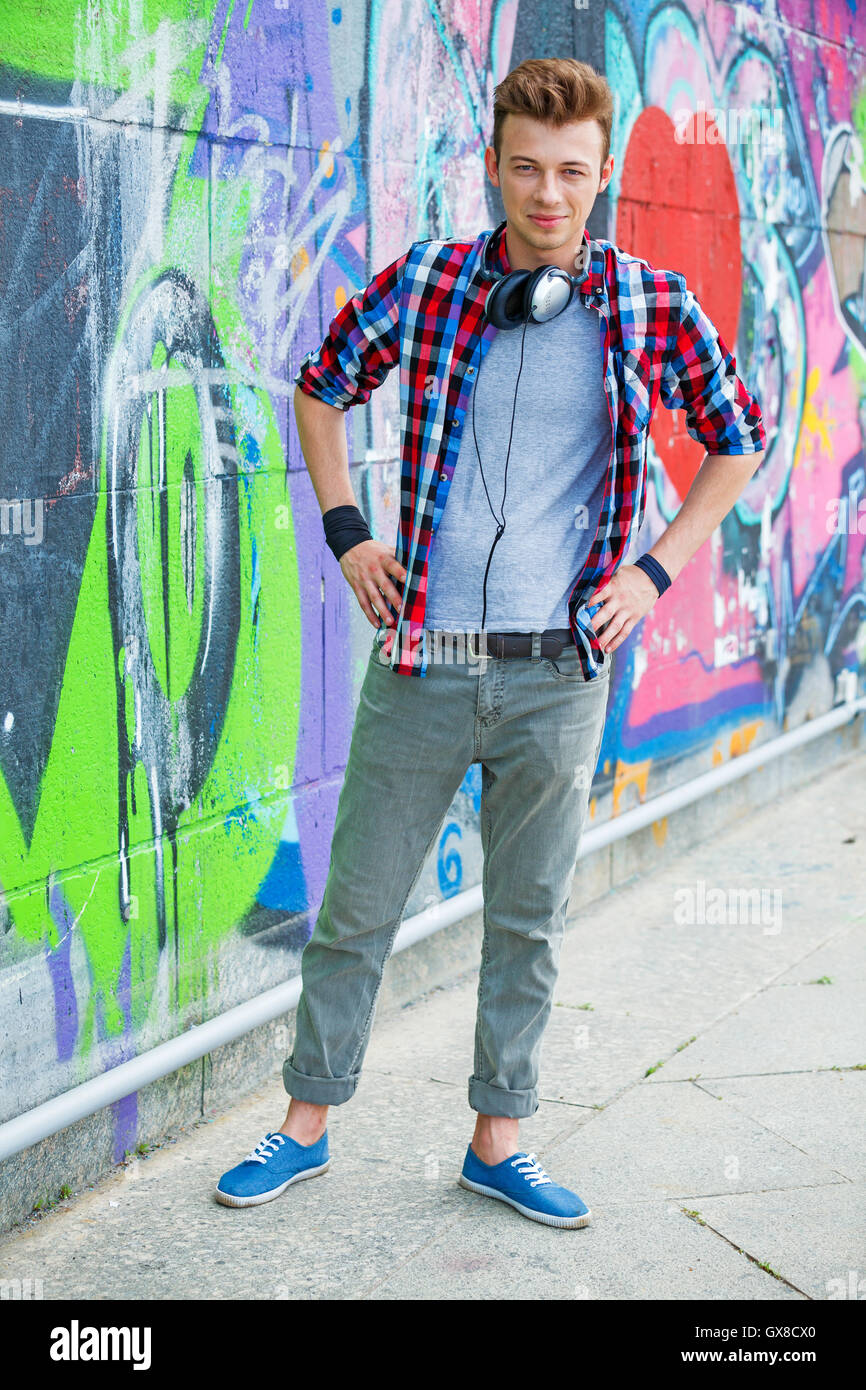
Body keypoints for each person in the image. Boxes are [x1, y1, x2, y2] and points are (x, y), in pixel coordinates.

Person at [216, 57, 765, 1227]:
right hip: (423, 659)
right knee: (357, 906)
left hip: (556, 673)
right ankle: (304, 1126)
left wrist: (654, 568)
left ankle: (496, 1141)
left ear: (602, 173)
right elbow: (318, 389)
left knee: (526, 921)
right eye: (525, 167)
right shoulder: (426, 283)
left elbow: (737, 438)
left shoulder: (649, 305)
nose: (547, 194)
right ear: (493, 168)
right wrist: (346, 529)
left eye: (571, 172)